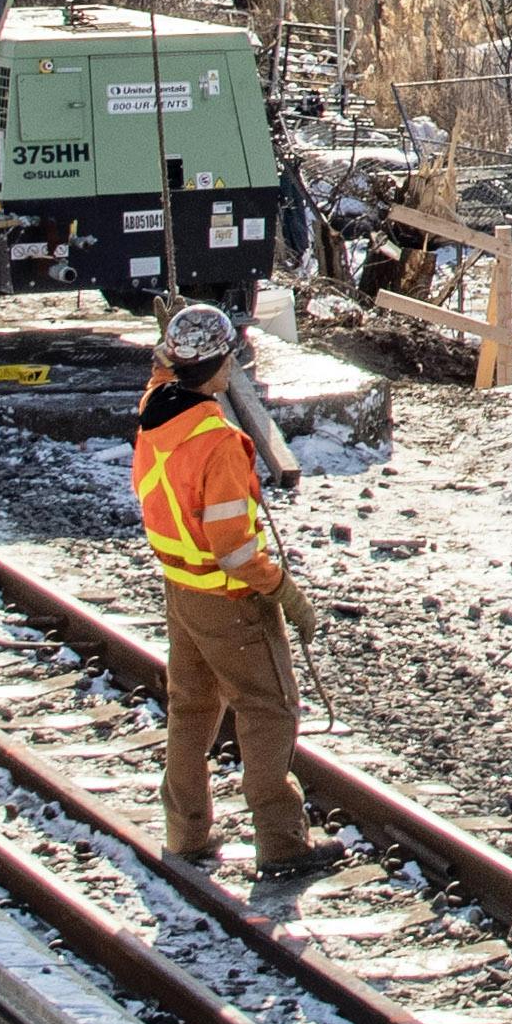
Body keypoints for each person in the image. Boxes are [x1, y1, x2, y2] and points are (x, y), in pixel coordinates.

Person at [129, 301, 323, 891]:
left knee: (191, 708)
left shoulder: (154, 409)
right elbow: (234, 550)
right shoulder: (218, 441)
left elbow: (165, 373)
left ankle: (185, 832)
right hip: (226, 598)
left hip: (180, 589)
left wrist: (174, 343)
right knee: (268, 709)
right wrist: (283, 592)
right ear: (222, 364)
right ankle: (282, 844)